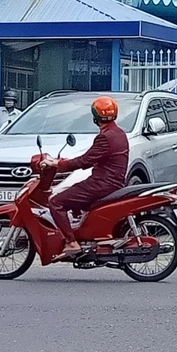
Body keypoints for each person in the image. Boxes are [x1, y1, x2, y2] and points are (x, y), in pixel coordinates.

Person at [44, 96, 130, 260]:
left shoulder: (105, 137)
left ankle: (71, 242)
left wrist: (58, 164)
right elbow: (93, 158)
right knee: (74, 193)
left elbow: (85, 161)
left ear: (95, 117)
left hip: (102, 183)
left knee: (56, 202)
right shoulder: (119, 133)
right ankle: (82, 233)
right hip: (114, 182)